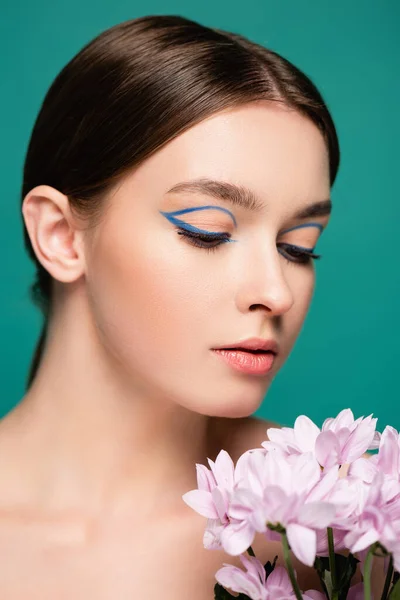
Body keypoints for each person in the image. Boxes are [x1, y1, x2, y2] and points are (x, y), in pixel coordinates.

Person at [0, 13, 384, 599]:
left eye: (298, 246)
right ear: (61, 235)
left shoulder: (346, 526)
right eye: (207, 231)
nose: (275, 292)